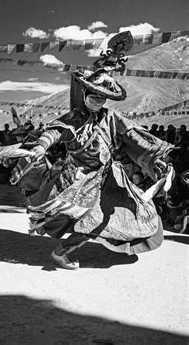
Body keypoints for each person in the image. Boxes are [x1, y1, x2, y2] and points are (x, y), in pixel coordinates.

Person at [10, 33, 173, 270]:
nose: (97, 100)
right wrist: (41, 146)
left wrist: (155, 160)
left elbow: (134, 136)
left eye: (102, 97)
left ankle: (69, 250)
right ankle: (60, 254)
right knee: (90, 220)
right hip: (79, 179)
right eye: (94, 96)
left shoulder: (110, 117)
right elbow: (55, 131)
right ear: (85, 94)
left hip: (109, 177)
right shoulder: (75, 118)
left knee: (134, 211)